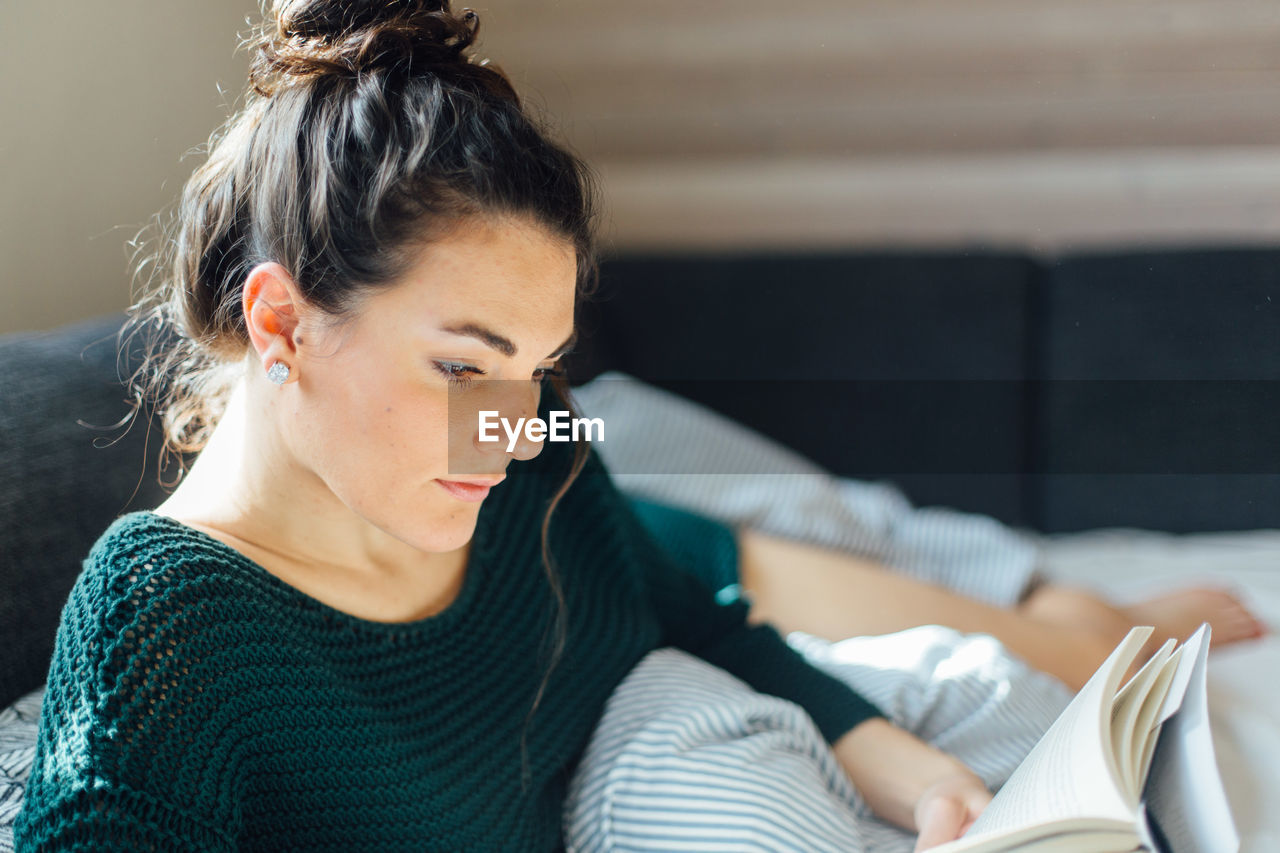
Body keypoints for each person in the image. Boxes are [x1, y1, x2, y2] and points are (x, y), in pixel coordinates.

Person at [12, 2, 1041, 850]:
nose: (508, 428)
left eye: (535, 367)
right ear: (281, 321)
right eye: (461, 365)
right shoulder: (169, 622)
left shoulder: (530, 463)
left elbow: (687, 607)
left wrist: (908, 774)